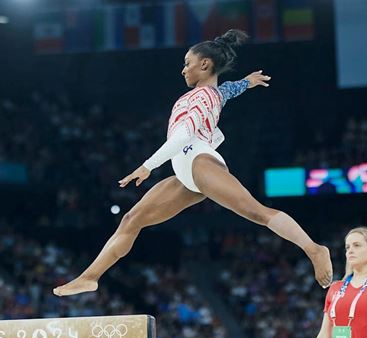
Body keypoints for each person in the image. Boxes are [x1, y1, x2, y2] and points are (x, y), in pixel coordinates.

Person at [53, 29, 332, 297]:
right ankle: (89, 277)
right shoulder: (213, 94)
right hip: (185, 173)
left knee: (256, 212)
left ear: (205, 64)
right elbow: (229, 90)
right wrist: (247, 82)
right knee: (131, 219)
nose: (183, 69)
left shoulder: (202, 96)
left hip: (199, 161)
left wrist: (147, 166)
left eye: (188, 63)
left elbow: (184, 135)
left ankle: (313, 249)